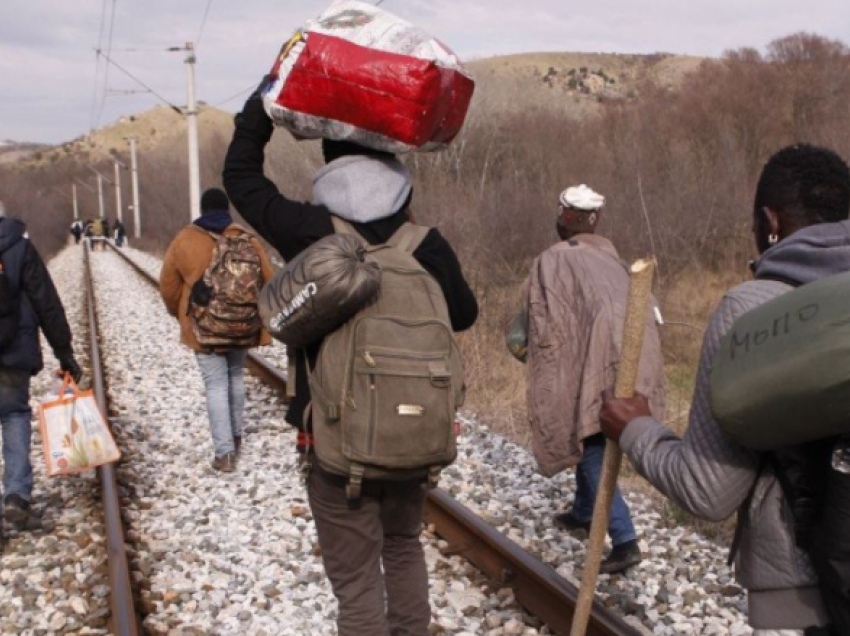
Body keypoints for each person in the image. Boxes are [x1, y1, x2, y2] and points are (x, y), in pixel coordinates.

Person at [222, 82, 478, 636]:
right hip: (414, 441)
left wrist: (260, 108)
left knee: (358, 580)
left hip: (335, 447)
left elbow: (241, 179)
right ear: (395, 175)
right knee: (404, 547)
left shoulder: (314, 233)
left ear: (329, 173)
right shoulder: (425, 243)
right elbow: (463, 316)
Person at [600, 144, 850, 635]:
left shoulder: (751, 312)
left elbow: (708, 490)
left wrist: (635, 429)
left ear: (768, 221)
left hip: (817, 585)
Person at [514, 184, 665, 575]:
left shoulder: (554, 260)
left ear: (565, 217)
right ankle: (583, 512)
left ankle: (624, 537)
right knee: (589, 434)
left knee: (592, 439)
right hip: (638, 360)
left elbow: (544, 321)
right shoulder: (617, 261)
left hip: (598, 362)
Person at [159, 188, 274, 473]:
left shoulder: (185, 240)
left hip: (204, 328)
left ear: (202, 209)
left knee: (215, 384)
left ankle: (224, 454)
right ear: (227, 210)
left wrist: (182, 315)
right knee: (235, 377)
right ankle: (235, 437)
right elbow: (270, 280)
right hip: (242, 325)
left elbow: (168, 287)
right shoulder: (247, 240)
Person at [0, 201, 82, 531]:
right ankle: (16, 495)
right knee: (13, 414)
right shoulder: (19, 246)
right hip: (13, 351)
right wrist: (64, 352)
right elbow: (45, 301)